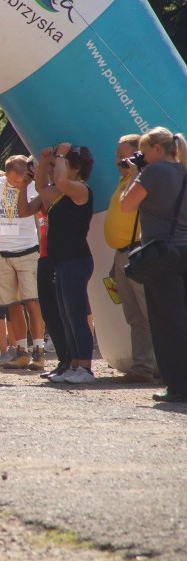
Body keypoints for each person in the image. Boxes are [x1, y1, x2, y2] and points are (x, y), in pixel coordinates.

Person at [120, 127, 187, 403]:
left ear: (157, 149)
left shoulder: (154, 172)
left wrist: (136, 172)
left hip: (162, 254)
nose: (142, 157)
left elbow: (126, 206)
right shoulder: (183, 170)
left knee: (165, 321)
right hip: (185, 249)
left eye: (145, 152)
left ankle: (177, 385)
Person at [20, 145, 96, 383]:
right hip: (61, 261)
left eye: (60, 164)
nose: (55, 171)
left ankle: (85, 367)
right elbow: (42, 187)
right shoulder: (59, 193)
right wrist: (43, 161)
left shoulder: (80, 189)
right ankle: (74, 364)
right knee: (66, 315)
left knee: (75, 313)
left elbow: (61, 182)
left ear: (75, 167)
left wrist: (60, 154)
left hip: (76, 259)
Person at [0, 155, 47, 371]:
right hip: (2, 251)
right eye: (12, 180)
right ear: (5, 173)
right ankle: (21, 351)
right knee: (11, 303)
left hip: (28, 250)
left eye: (20, 181)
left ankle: (38, 349)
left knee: (32, 301)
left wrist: (26, 186)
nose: (16, 184)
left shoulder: (34, 187)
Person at [102, 134, 158, 382]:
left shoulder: (144, 178)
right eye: (117, 155)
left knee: (149, 313)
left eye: (122, 155)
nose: (118, 160)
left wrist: (137, 172)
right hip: (123, 254)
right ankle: (143, 367)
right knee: (134, 316)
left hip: (139, 252)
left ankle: (160, 366)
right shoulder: (124, 179)